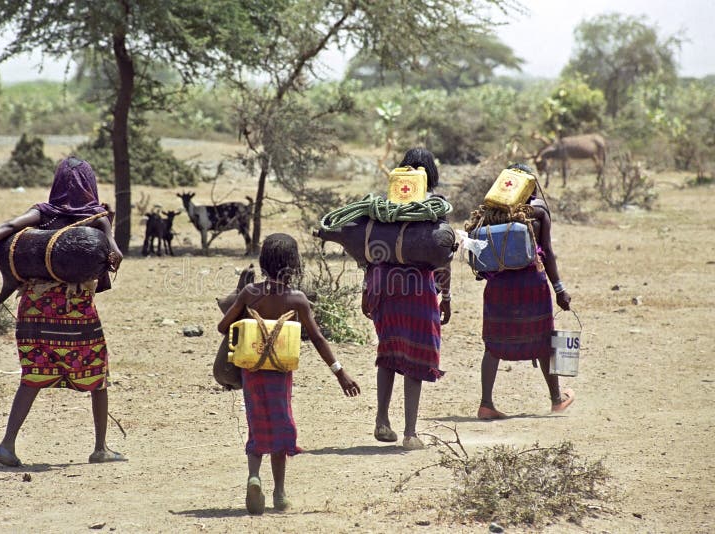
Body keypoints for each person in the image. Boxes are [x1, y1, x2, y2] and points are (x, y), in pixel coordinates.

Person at [0, 156, 125, 466]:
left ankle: (7, 443)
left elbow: (4, 228)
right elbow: (116, 253)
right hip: (76, 312)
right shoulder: (96, 216)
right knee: (96, 374)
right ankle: (101, 448)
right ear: (90, 185)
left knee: (32, 375)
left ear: (57, 184)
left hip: (34, 311)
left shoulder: (43, 213)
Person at [218, 233, 360, 515]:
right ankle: (280, 492)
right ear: (294, 264)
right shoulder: (296, 299)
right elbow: (318, 339)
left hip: (252, 370)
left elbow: (223, 327)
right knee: (281, 423)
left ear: (263, 262)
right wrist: (340, 372)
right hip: (280, 372)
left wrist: (247, 319)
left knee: (256, 421)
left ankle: (253, 476)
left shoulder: (250, 294)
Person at [362, 147, 452, 451]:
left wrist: (367, 289)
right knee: (416, 356)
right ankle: (411, 433)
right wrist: (447, 296)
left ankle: (381, 421)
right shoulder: (434, 207)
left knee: (388, 352)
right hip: (418, 288)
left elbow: (370, 251)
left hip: (384, 285)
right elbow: (443, 255)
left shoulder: (386, 206)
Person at [468, 162, 574, 420]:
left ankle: (486, 403)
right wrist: (559, 289)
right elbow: (546, 252)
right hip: (531, 285)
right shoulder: (538, 213)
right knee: (543, 339)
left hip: (498, 286)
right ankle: (556, 400)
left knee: (493, 344)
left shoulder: (488, 213)